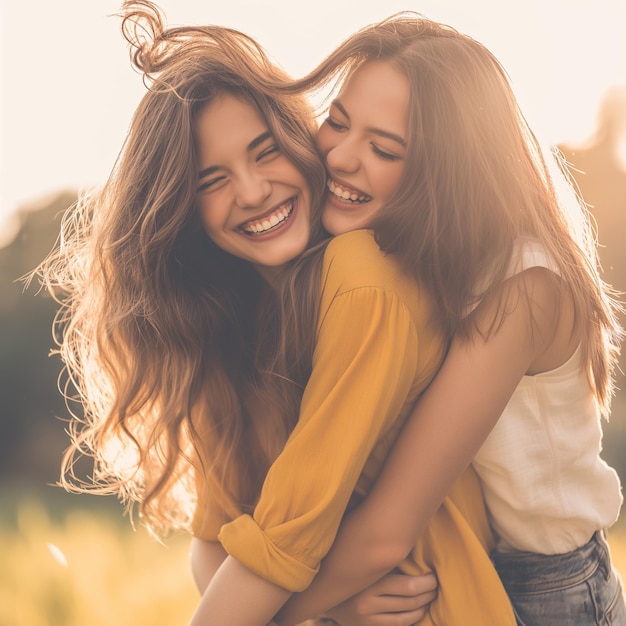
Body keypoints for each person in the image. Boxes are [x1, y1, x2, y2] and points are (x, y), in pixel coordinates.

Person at [35, 3, 515, 626]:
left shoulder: (362, 279)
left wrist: (298, 611)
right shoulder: (232, 326)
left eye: (265, 152)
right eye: (213, 180)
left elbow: (293, 536)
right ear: (184, 213)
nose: (253, 191)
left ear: (297, 135)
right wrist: (329, 610)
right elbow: (213, 542)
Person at [261, 13, 626, 626]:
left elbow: (386, 528)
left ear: (450, 163)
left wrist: (268, 614)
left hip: (549, 590)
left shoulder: (523, 287)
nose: (342, 158)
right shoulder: (410, 250)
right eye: (338, 123)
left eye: (384, 149)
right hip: (461, 556)